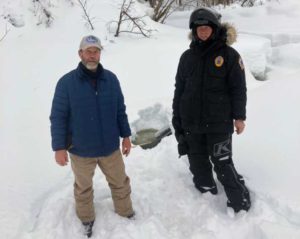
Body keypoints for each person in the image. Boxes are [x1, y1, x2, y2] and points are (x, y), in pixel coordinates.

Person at [50, 35, 134, 237]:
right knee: (83, 189)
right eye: (88, 51)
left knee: (120, 183)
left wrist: (126, 135)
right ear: (80, 54)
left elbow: (119, 110)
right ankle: (86, 219)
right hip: (81, 150)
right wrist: (59, 147)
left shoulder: (111, 79)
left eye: (96, 51)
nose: (92, 55)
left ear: (100, 54)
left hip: (109, 148)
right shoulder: (66, 83)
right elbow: (58, 117)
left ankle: (126, 213)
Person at [172, 7, 251, 213]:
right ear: (194, 31)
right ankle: (206, 189)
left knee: (222, 163)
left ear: (214, 29)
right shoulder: (186, 57)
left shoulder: (229, 55)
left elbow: (238, 89)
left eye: (207, 27)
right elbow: (179, 89)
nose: (203, 31)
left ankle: (239, 200)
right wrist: (177, 117)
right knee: (197, 161)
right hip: (191, 122)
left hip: (218, 123)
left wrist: (239, 117)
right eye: (199, 28)